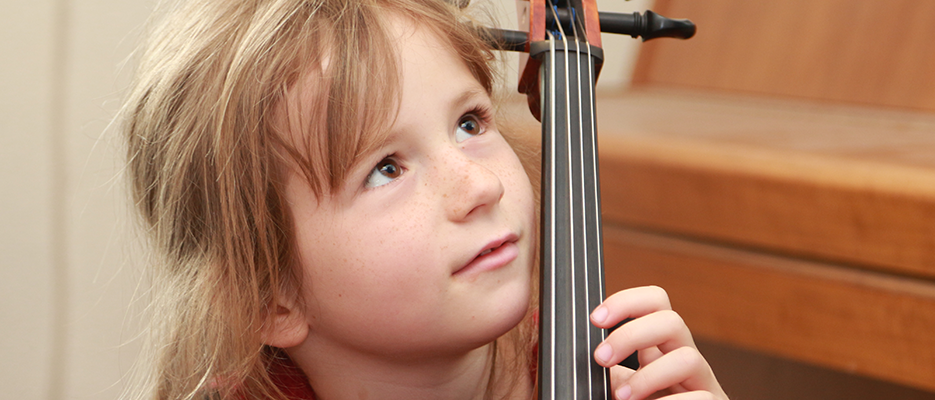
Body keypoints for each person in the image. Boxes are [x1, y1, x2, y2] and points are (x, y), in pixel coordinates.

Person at [121, 0, 728, 399]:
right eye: (385, 168)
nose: (480, 186)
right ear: (269, 294)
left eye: (470, 123)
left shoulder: (594, 367)